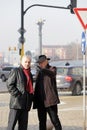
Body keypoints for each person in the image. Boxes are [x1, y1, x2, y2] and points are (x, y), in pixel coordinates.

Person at [33, 55, 62, 130]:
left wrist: (42, 70)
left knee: (55, 120)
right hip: (40, 102)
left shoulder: (52, 69)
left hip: (50, 101)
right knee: (42, 122)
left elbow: (52, 74)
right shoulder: (39, 72)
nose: (40, 64)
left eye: (42, 62)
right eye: (39, 63)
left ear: (46, 61)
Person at [7, 55, 34, 130]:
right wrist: (18, 95)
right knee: (11, 126)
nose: (27, 64)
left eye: (29, 62)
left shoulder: (30, 74)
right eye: (25, 62)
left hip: (25, 105)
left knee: (23, 127)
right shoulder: (16, 71)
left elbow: (30, 89)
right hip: (16, 104)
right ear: (21, 62)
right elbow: (9, 85)